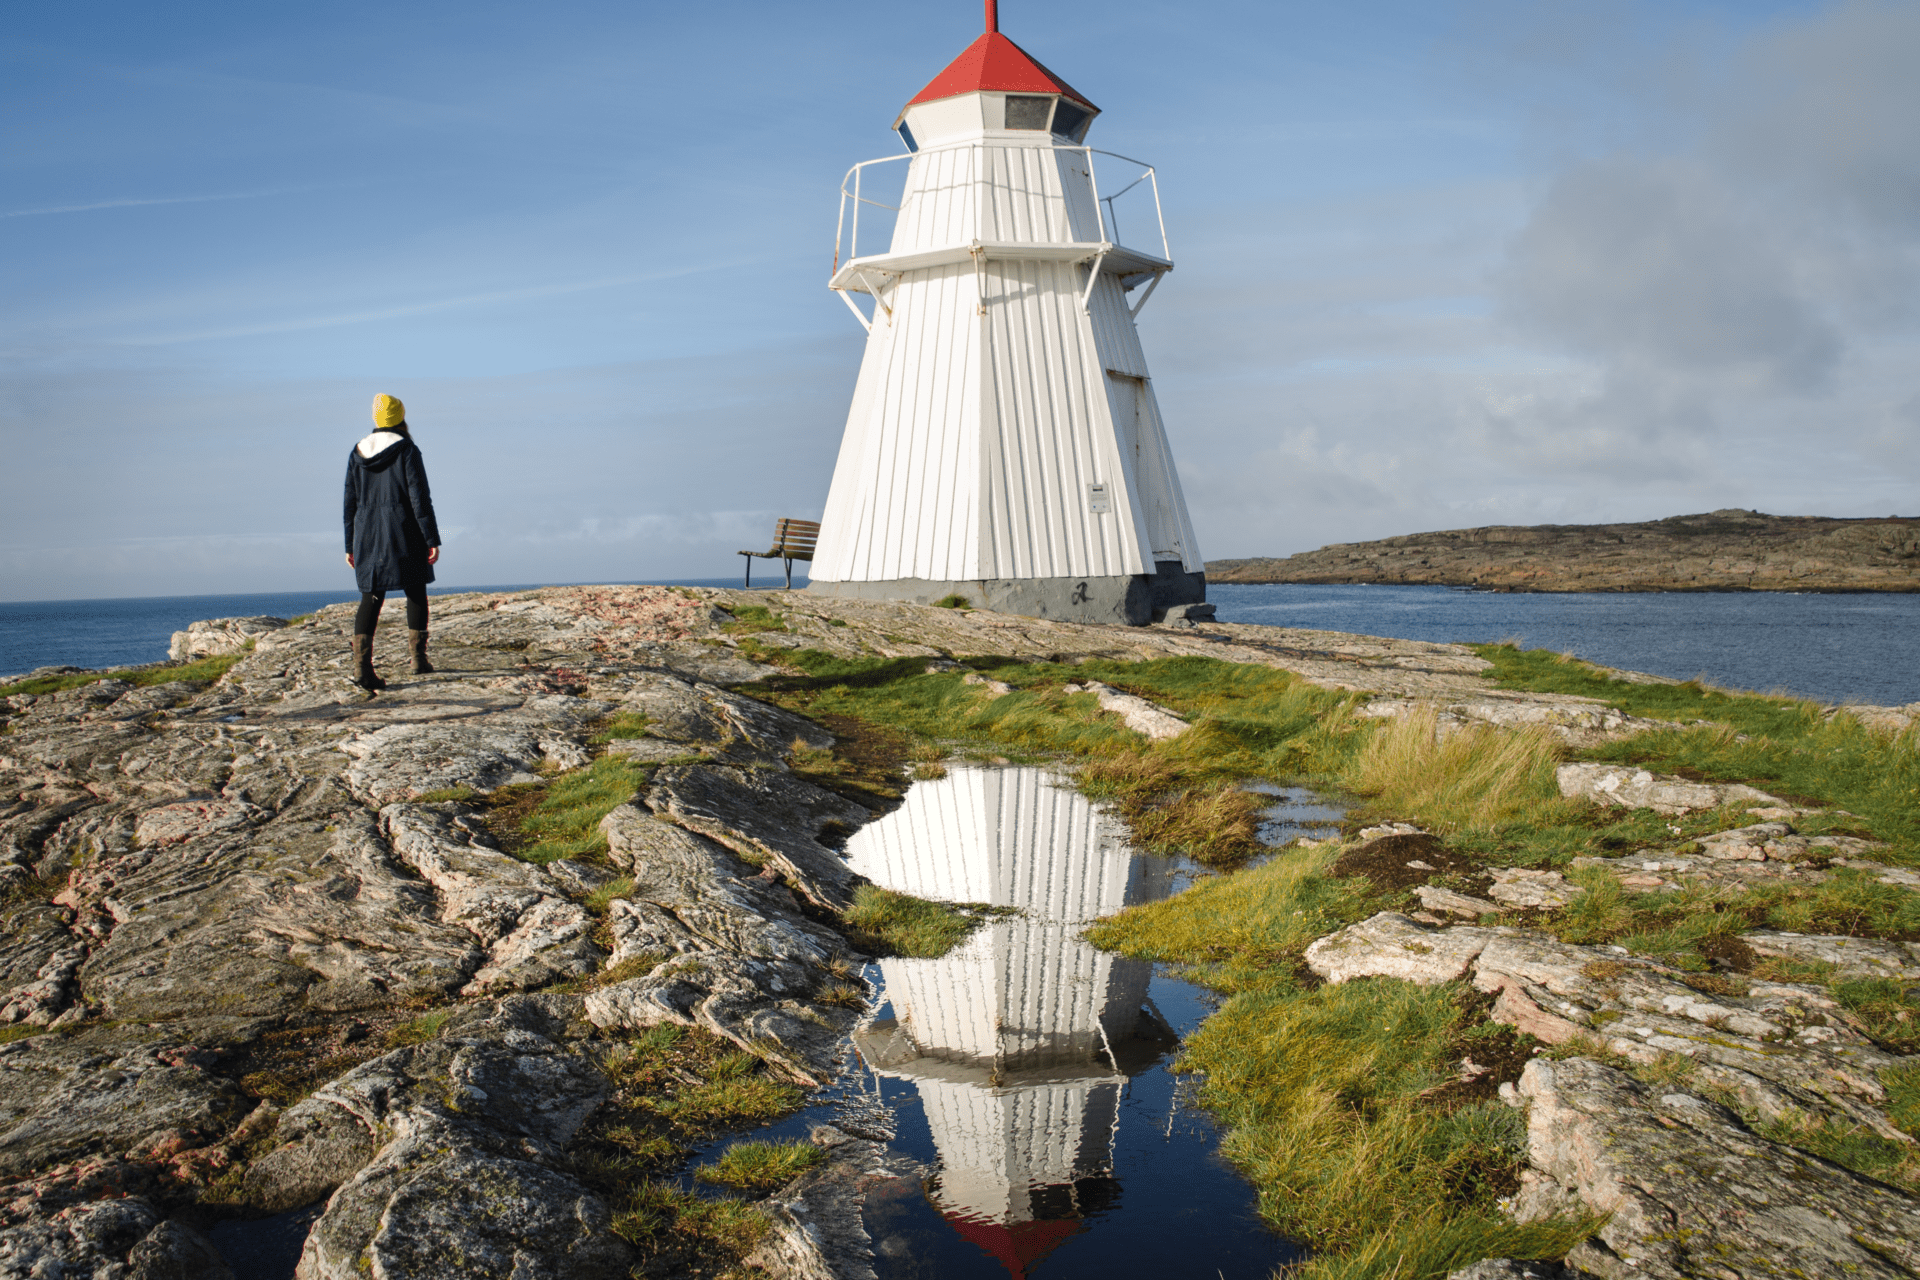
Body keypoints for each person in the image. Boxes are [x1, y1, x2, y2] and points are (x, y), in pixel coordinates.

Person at [343, 393, 441, 691]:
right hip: (404, 529)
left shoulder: (357, 451)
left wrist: (350, 544)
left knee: (371, 597)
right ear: (400, 417)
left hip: (367, 534)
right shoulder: (407, 449)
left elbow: (350, 501)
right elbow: (419, 497)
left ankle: (362, 669)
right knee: (415, 590)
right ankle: (418, 660)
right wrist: (431, 537)